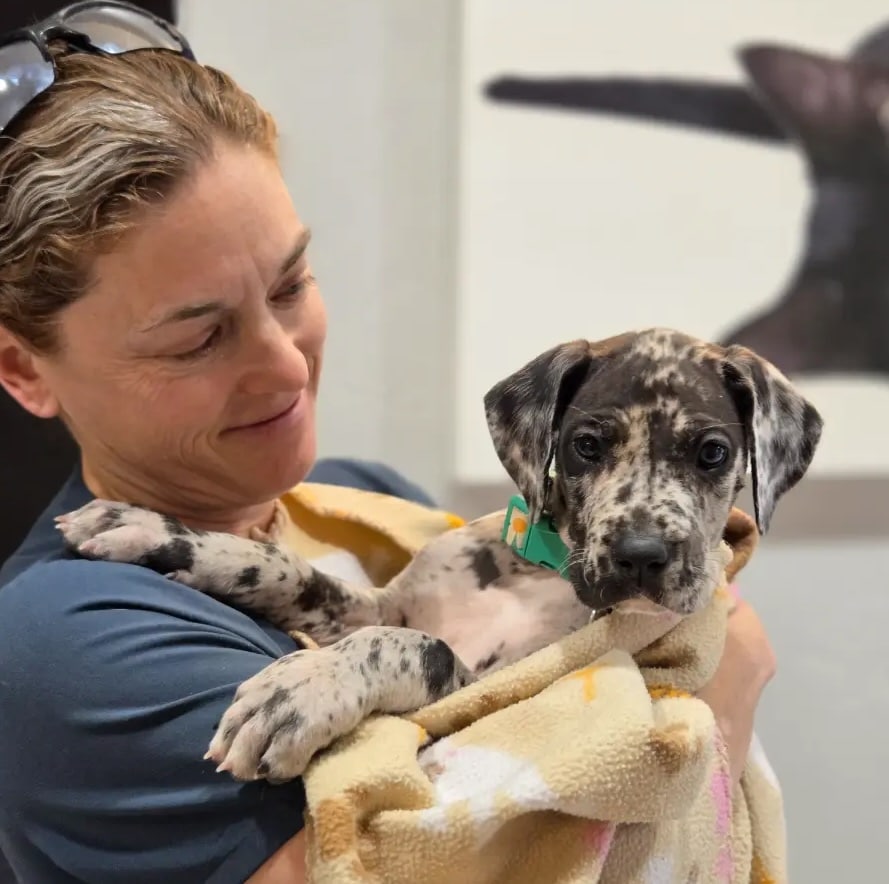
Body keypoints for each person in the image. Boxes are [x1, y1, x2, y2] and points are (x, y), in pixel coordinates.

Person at [0, 3, 776, 882]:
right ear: (24, 369)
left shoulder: (369, 495)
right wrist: (716, 697)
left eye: (291, 283)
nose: (287, 368)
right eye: (198, 338)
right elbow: (480, 833)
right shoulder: (64, 645)